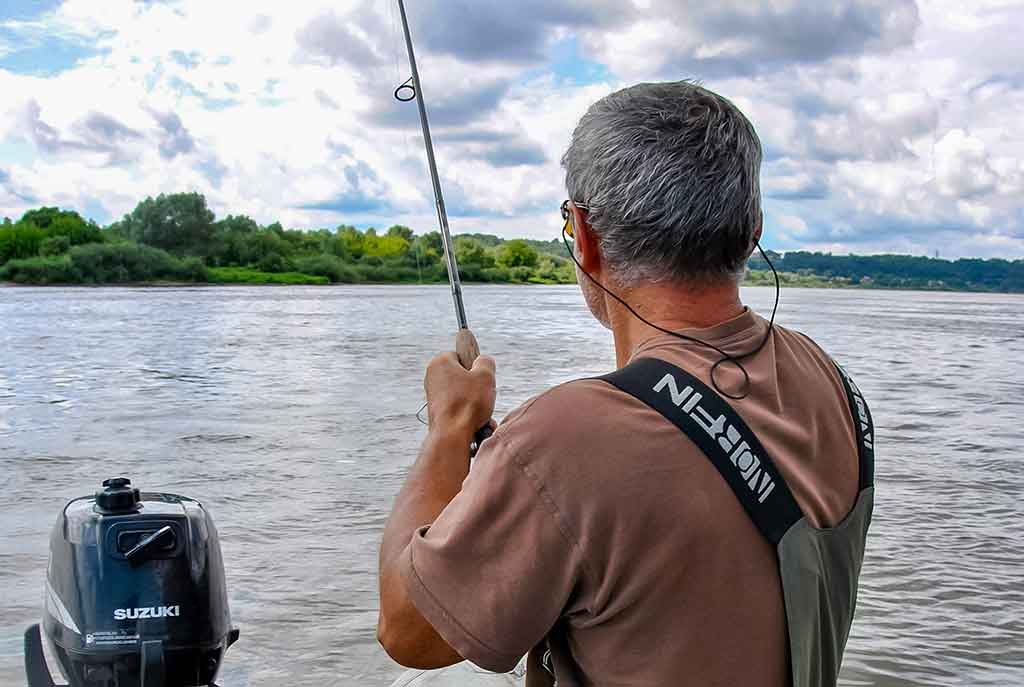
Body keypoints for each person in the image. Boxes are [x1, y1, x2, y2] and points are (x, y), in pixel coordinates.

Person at [377, 81, 874, 687]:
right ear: (753, 231)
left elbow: (410, 631)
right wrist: (536, 481)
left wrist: (449, 428)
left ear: (583, 236)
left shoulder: (569, 439)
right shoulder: (830, 381)